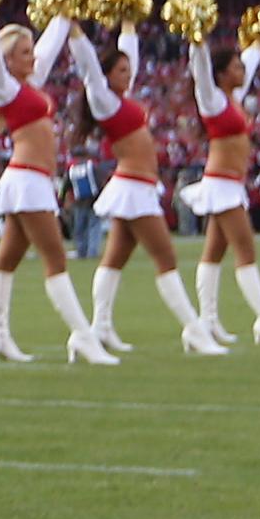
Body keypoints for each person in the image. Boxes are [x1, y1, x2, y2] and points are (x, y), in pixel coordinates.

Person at [67, 22, 221, 357]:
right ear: (107, 75)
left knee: (114, 258)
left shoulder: (122, 98)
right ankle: (194, 330)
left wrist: (129, 24)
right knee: (166, 256)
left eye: (127, 70)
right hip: (133, 187)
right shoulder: (104, 99)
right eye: (120, 70)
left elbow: (129, 58)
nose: (128, 74)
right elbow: (90, 68)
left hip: (138, 186)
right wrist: (74, 31)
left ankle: (99, 328)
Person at [0, 12, 116, 365]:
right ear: (8, 59)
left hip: (33, 179)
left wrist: (64, 13)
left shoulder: (30, 83)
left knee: (8, 257)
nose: (33, 56)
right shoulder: (4, 85)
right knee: (55, 258)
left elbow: (49, 49)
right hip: (27, 180)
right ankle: (83, 336)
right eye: (24, 52)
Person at [185, 32, 260, 346]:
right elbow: (201, 70)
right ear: (221, 74)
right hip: (221, 185)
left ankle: (207, 322)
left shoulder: (233, 98)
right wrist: (198, 39)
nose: (241, 70)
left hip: (230, 184)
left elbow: (251, 63)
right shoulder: (212, 99)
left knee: (214, 252)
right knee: (246, 250)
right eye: (234, 66)